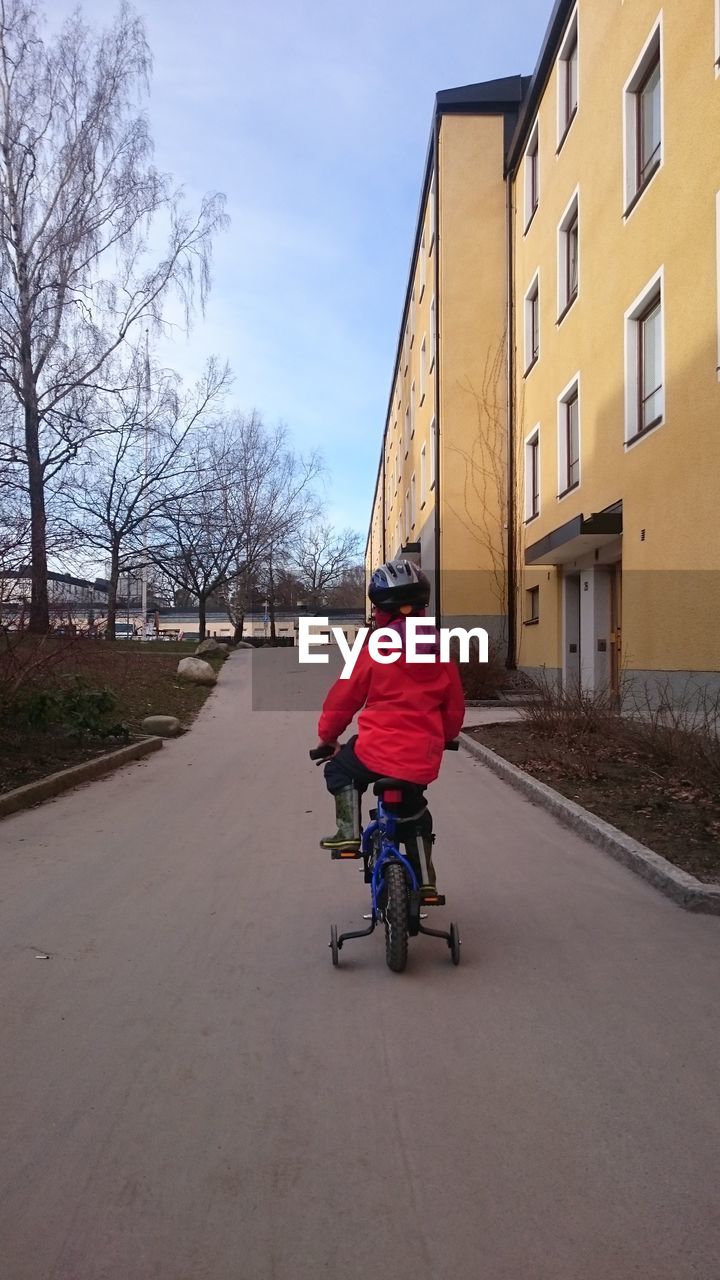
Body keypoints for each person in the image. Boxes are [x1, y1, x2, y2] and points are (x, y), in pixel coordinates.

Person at [315, 559, 465, 901]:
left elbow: (343, 699)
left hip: (374, 753)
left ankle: (349, 833)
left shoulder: (371, 650)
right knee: (415, 817)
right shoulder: (441, 652)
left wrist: (328, 738)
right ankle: (426, 882)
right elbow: (454, 707)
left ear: (381, 611)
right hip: (420, 759)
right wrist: (444, 736)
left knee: (339, 770)